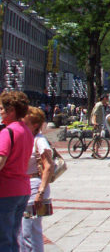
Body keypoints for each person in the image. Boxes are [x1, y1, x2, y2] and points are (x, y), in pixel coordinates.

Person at [0, 90, 33, 252]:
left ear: (11, 110)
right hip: (22, 188)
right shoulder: (26, 130)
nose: (0, 111)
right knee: (13, 236)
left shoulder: (8, 132)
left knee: (3, 239)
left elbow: (1, 160)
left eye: (1, 108)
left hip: (6, 189)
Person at [21, 107, 53, 252]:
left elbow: (48, 166)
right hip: (25, 186)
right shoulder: (28, 138)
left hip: (35, 186)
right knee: (24, 231)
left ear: (34, 124)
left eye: (25, 118)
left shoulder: (39, 141)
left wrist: (40, 192)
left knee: (30, 231)